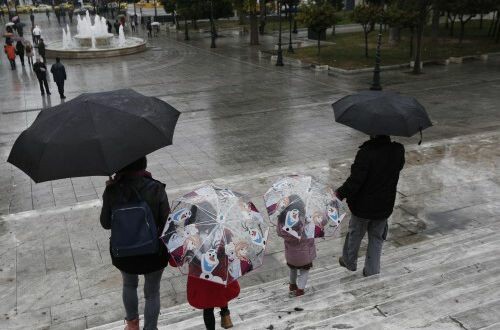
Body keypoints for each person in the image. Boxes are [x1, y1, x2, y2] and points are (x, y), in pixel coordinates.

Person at [100, 157, 170, 330]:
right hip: (154, 252)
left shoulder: (112, 190)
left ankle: (132, 324)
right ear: (143, 165)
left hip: (124, 252)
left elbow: (106, 223)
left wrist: (109, 192)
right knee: (152, 292)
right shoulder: (156, 188)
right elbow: (167, 221)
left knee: (129, 284)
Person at [336, 135, 405, 277]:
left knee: (355, 233)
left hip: (363, 207)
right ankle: (372, 271)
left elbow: (355, 181)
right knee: (376, 238)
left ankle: (349, 261)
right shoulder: (398, 150)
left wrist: (340, 194)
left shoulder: (366, 153)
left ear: (373, 133)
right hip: (384, 206)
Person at [276, 196, 316, 297]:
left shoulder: (282, 219)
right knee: (304, 271)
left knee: (292, 269)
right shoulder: (303, 219)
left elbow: (279, 233)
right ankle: (300, 290)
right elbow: (310, 234)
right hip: (304, 254)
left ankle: (292, 285)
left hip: (290, 254)